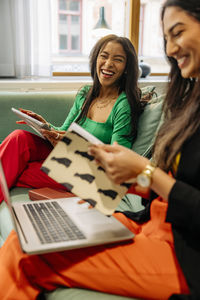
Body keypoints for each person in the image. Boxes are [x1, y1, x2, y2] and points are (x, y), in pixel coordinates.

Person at [0, 0, 199, 299]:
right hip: (149, 221)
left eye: (178, 32)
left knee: (22, 251)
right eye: (166, 38)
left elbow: (156, 181)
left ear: (126, 67)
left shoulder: (123, 104)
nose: (170, 49)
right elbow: (161, 189)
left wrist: (142, 172)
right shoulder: (189, 104)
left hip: (182, 251)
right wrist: (54, 133)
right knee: (19, 150)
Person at [0, 34, 142, 204]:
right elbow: (65, 132)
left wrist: (74, 145)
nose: (108, 63)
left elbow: (117, 159)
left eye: (118, 59)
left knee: (13, 168)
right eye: (104, 56)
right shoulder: (85, 94)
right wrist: (44, 125)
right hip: (68, 158)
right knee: (19, 138)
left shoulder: (123, 105)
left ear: (127, 67)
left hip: (95, 174)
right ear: (96, 59)